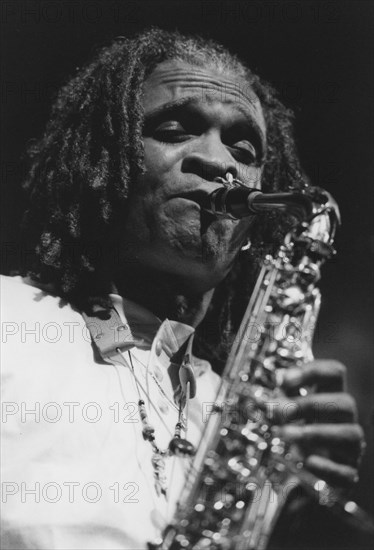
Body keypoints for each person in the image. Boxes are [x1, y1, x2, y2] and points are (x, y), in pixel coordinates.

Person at [1, 28, 366, 550]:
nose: (219, 163)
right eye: (175, 129)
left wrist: (294, 520)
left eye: (244, 148)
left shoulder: (255, 423)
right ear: (102, 161)